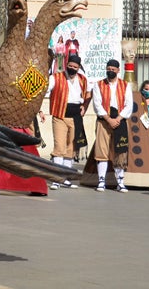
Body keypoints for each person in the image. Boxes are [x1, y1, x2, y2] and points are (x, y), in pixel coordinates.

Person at [42, 54, 90, 188]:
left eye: (75, 67)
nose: (72, 69)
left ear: (79, 67)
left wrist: (84, 107)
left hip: (76, 117)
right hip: (60, 116)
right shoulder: (56, 78)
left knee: (71, 148)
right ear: (66, 65)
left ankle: (66, 178)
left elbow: (89, 94)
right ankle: (57, 179)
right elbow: (45, 90)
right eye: (70, 66)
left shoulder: (83, 80)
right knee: (59, 147)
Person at [90, 59, 133, 192]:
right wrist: (109, 119)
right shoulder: (99, 85)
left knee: (120, 151)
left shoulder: (125, 85)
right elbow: (97, 104)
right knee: (102, 151)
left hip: (120, 121)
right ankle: (101, 181)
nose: (110, 71)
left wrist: (118, 118)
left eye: (113, 69)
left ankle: (120, 182)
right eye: (108, 69)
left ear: (118, 70)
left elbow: (129, 105)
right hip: (104, 121)